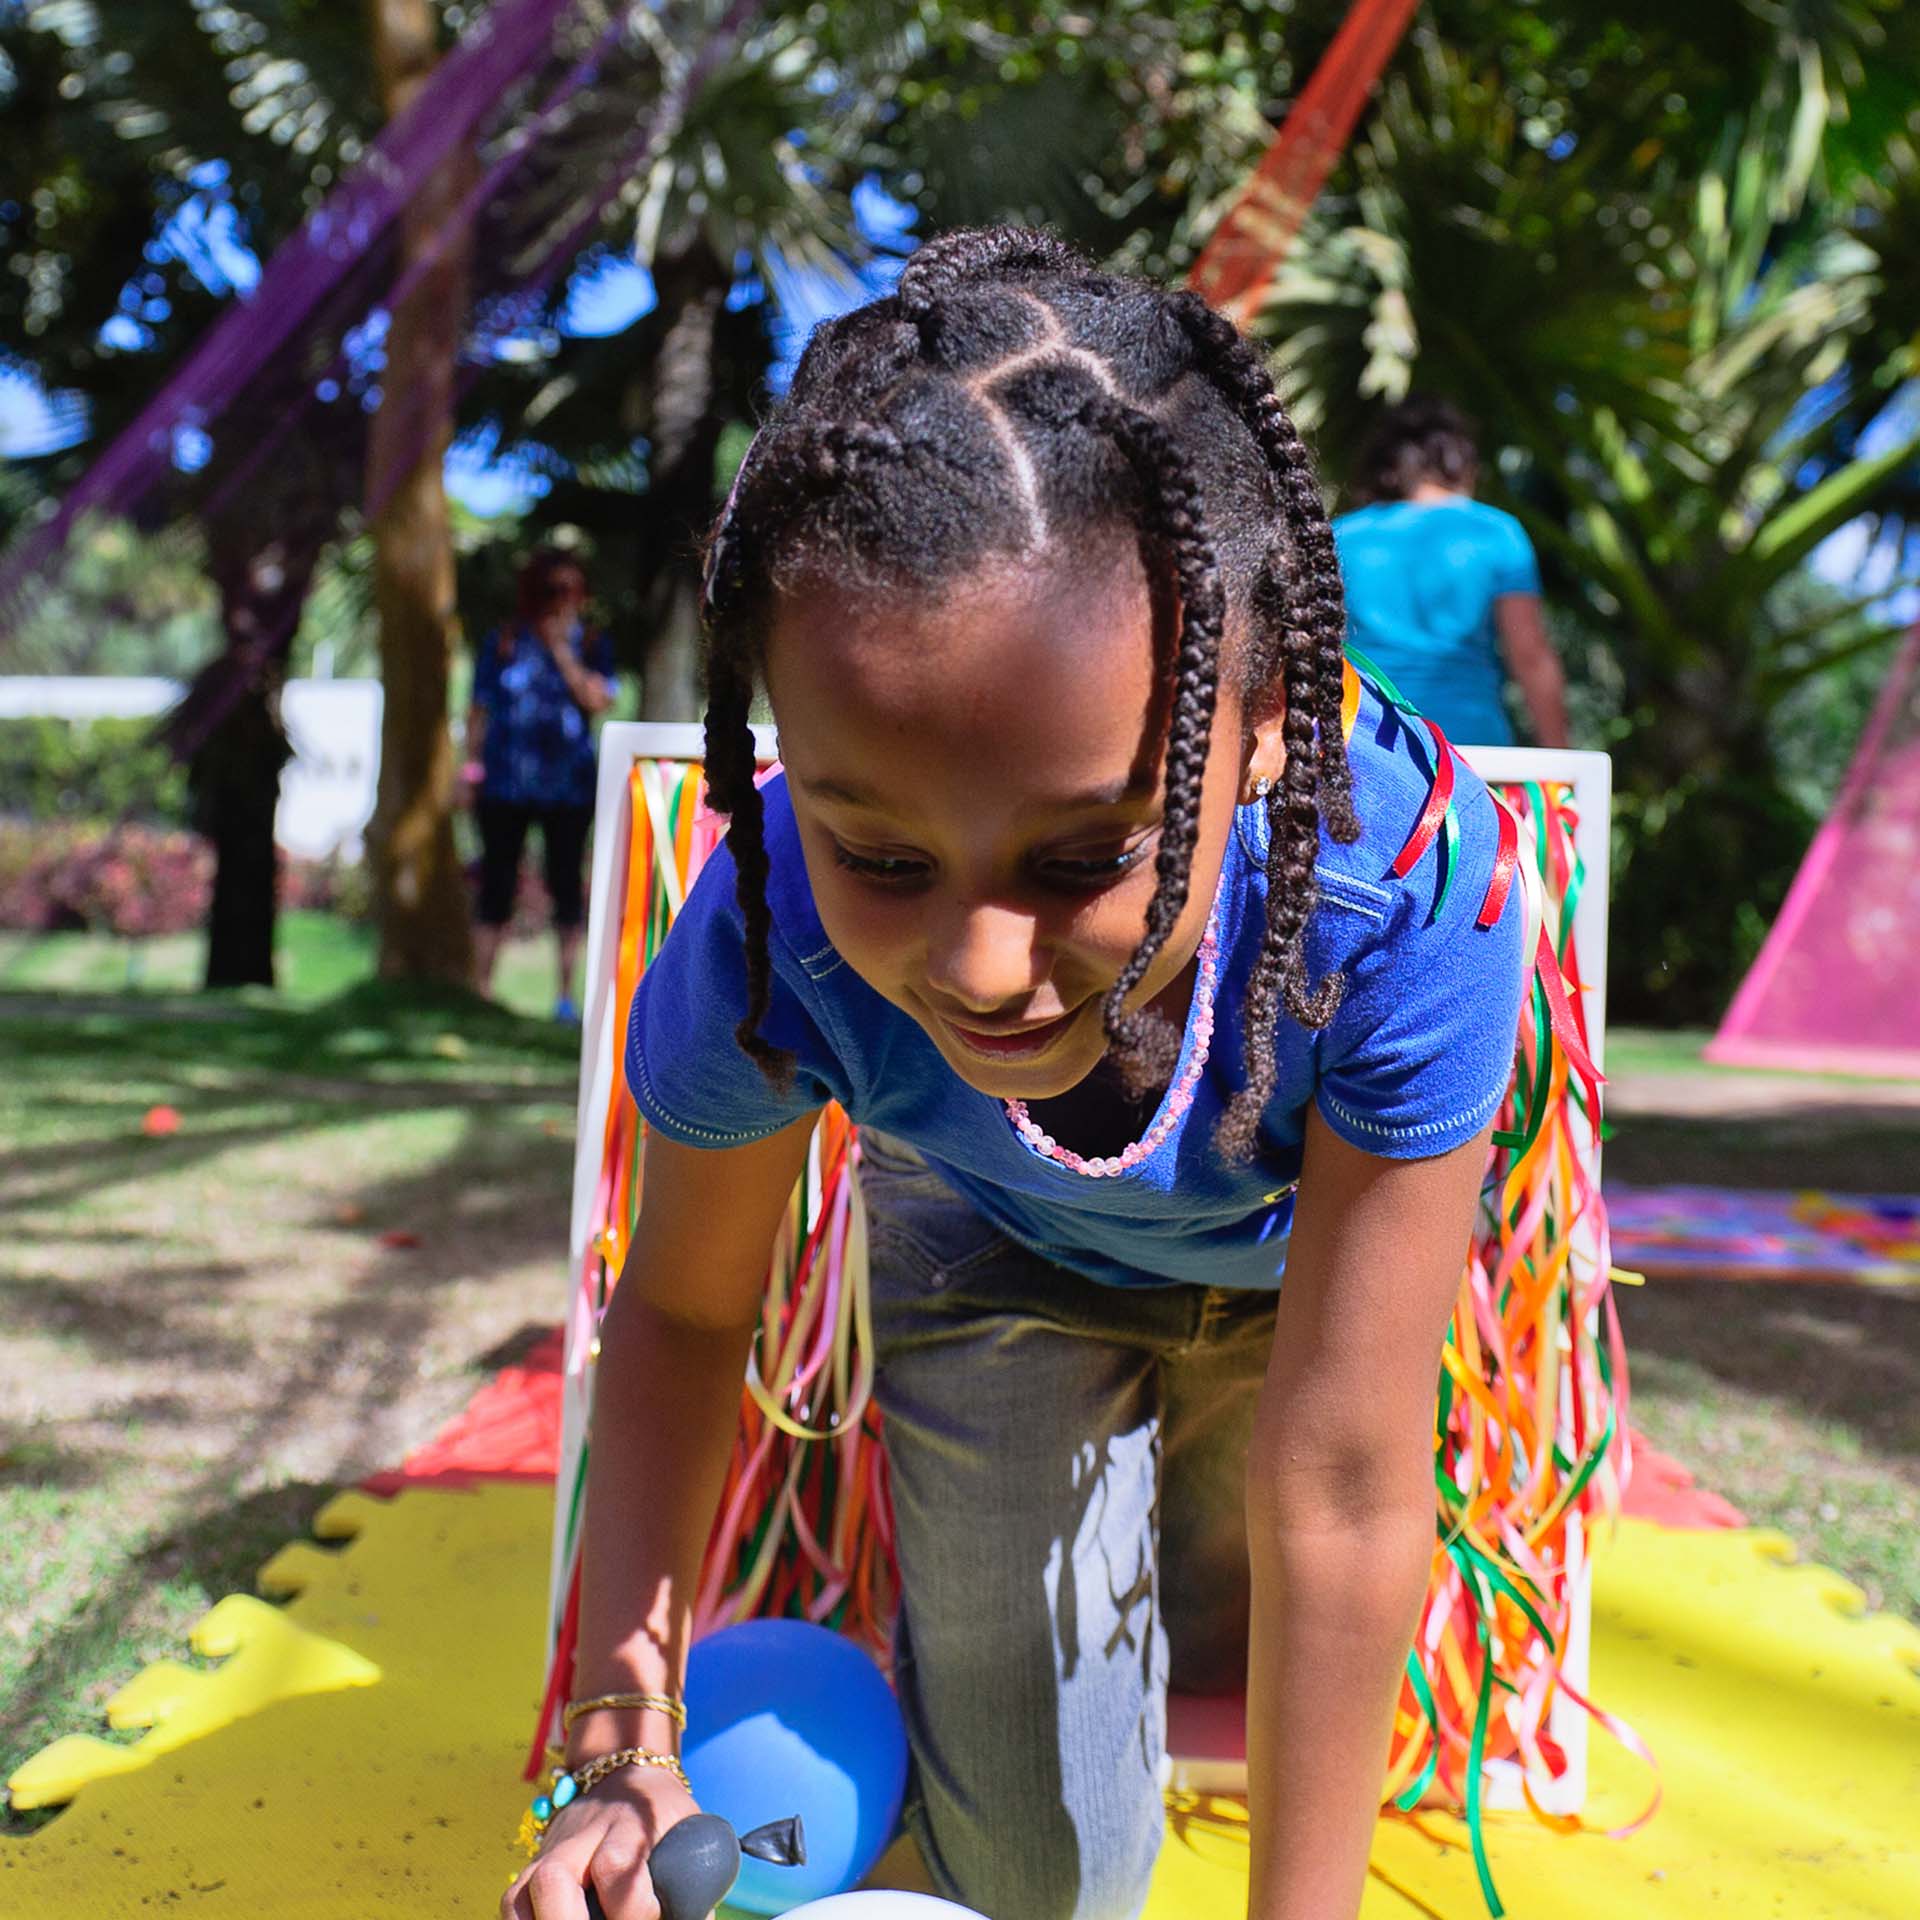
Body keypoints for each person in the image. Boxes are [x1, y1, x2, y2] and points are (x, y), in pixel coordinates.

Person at [505, 229, 1527, 1920]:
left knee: (1259, 1619)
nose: (978, 969)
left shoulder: (1405, 894)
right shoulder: (769, 936)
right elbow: (683, 1318)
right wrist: (622, 1743)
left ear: (1269, 727)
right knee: (1038, 1887)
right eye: (882, 857)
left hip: (1296, 1313)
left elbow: (1345, 1476)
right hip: (994, 1274)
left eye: (1081, 860)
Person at [1332, 396, 1568, 747]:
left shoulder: (1339, 536)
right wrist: (1561, 761)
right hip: (1470, 753)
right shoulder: (1495, 533)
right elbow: (1529, 656)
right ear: (1461, 462)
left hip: (1367, 746)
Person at [465, 548, 616, 1018]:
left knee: (567, 885)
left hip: (568, 787)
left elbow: (598, 700)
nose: (562, 599)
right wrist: (468, 769)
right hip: (504, 784)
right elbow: (478, 709)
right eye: (552, 590)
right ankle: (481, 992)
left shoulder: (591, 642)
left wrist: (563, 654)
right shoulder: (504, 640)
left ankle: (565, 998)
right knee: (496, 882)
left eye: (571, 589)